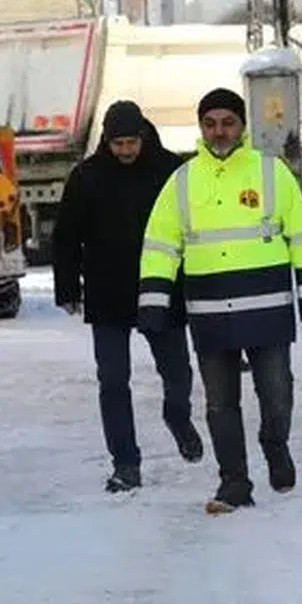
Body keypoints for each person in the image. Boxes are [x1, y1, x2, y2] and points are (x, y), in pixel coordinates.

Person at [137, 88, 302, 514]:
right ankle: (234, 483)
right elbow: (160, 245)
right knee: (220, 404)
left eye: (227, 123)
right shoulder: (182, 181)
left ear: (242, 126)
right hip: (209, 310)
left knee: (277, 394)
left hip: (267, 307)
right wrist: (153, 303)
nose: (218, 131)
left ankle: (275, 444)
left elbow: (301, 236)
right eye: (209, 124)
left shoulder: (271, 172)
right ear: (200, 128)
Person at [53, 100, 203, 493]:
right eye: (117, 144)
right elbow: (66, 235)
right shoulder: (87, 176)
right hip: (107, 291)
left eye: (131, 143)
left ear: (143, 136)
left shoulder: (170, 171)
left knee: (178, 373)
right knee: (113, 381)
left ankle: (178, 417)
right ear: (106, 140)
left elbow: (193, 227)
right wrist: (67, 287)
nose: (125, 150)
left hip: (162, 288)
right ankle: (125, 463)